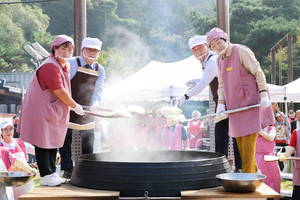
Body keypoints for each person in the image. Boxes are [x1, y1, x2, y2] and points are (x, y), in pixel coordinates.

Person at [17, 35, 85, 186]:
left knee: (52, 141)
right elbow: (59, 91)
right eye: (63, 48)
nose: (67, 52)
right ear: (54, 49)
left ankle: (52, 173)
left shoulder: (64, 65)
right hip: (42, 109)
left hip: (53, 109)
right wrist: (75, 106)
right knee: (42, 141)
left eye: (70, 49)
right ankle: (46, 175)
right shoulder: (49, 66)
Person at [206, 27, 274, 173]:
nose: (217, 47)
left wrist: (263, 94)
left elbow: (258, 72)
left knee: (248, 148)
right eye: (213, 46)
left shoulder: (241, 51)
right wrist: (221, 105)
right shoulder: (218, 60)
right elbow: (221, 85)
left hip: (250, 105)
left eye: (218, 42)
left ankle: (247, 181)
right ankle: (255, 176)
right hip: (234, 107)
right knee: (242, 148)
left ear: (225, 39)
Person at [176, 35, 241, 171]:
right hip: (221, 103)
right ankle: (221, 168)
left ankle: (239, 167)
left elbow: (204, 83)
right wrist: (196, 80)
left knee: (233, 135)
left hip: (230, 102)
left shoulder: (212, 61)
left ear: (207, 46)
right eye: (194, 49)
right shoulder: (207, 62)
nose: (198, 51)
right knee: (220, 135)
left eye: (200, 47)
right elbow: (207, 78)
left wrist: (185, 96)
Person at [59, 37, 105, 179]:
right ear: (82, 50)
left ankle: (87, 169)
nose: (92, 53)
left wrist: (96, 104)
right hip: (69, 108)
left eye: (95, 51)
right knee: (65, 142)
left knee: (88, 142)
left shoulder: (100, 69)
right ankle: (67, 170)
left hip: (87, 110)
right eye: (89, 50)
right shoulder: (72, 63)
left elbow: (98, 91)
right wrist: (72, 105)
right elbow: (63, 87)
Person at [0, 121, 35, 199]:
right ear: (1, 131)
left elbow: (36, 152)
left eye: (10, 129)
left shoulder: (21, 143)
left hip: (24, 180)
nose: (8, 131)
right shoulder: (2, 149)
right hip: (7, 182)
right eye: (5, 129)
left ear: (13, 130)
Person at [256, 124, 281, 200]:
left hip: (270, 158)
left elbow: (270, 138)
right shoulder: (255, 130)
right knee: (258, 180)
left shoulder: (271, 129)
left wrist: (258, 130)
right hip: (257, 157)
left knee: (272, 179)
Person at [279, 127, 300, 200]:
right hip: (299, 164)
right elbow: (291, 147)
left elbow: (291, 147)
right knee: (298, 190)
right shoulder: (296, 132)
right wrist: (285, 155)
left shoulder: (296, 132)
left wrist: (285, 155)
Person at [274, 105, 291, 171]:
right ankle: (281, 169)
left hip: (286, 142)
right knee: (279, 157)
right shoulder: (276, 124)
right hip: (278, 143)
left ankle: (288, 168)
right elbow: (272, 119)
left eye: (280, 117)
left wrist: (278, 111)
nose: (279, 118)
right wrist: (274, 110)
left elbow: (286, 118)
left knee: (287, 156)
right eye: (278, 117)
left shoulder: (286, 123)